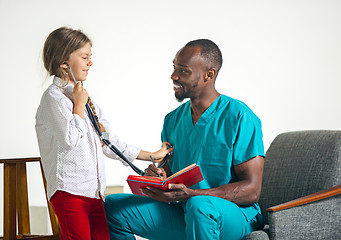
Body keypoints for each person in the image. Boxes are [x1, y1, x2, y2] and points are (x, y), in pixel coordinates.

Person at [104, 39, 265, 240]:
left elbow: (252, 190)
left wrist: (194, 195)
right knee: (113, 207)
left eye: (183, 70)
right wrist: (158, 176)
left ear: (209, 74)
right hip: (187, 210)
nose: (174, 76)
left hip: (235, 216)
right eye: (174, 67)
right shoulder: (172, 120)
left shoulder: (240, 117)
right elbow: (172, 174)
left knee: (200, 206)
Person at [35, 26, 172, 240]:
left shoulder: (85, 99)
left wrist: (151, 155)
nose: (90, 62)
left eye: (90, 57)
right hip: (69, 191)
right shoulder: (54, 99)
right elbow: (70, 140)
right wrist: (78, 107)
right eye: (84, 57)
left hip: (94, 192)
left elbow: (108, 142)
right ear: (64, 62)